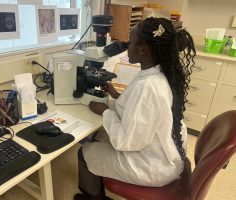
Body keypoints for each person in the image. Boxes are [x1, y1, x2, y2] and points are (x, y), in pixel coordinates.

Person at [74, 17, 196, 200]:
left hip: (151, 166)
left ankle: (93, 196)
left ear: (143, 50)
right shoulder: (160, 73)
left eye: (130, 43)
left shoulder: (148, 86)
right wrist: (117, 96)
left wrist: (104, 111)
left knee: (85, 152)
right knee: (97, 136)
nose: (126, 47)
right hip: (162, 152)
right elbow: (144, 110)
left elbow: (125, 141)